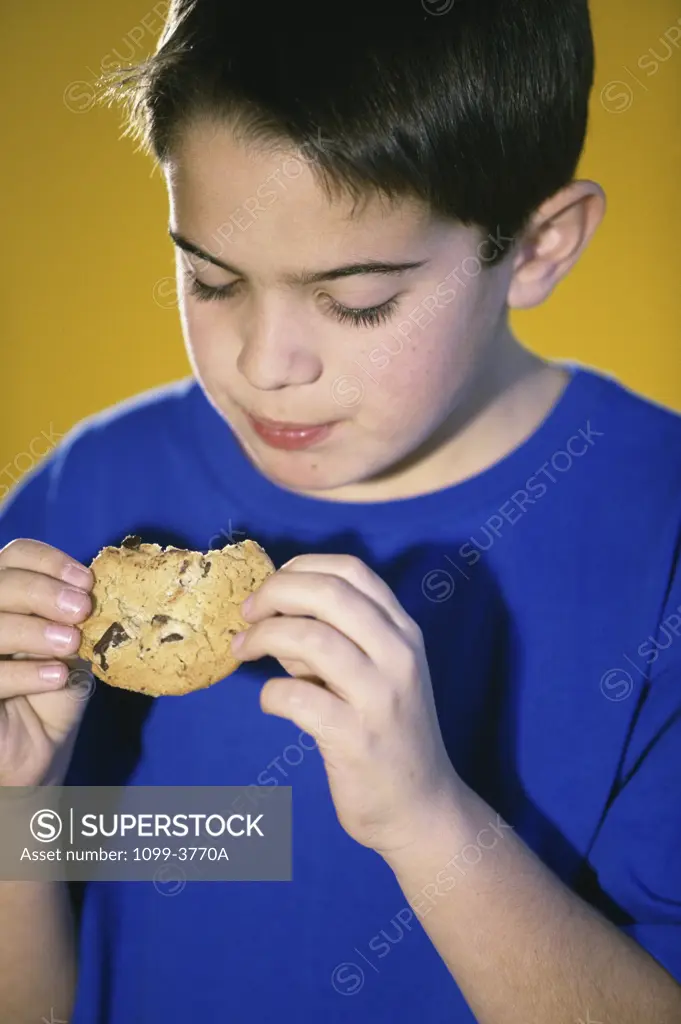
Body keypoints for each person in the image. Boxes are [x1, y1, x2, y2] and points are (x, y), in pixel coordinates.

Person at [1, 2, 680, 1021]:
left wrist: (429, 820)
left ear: (537, 246)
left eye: (358, 300)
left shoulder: (657, 530)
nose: (265, 367)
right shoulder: (89, 489)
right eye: (209, 277)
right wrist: (20, 811)